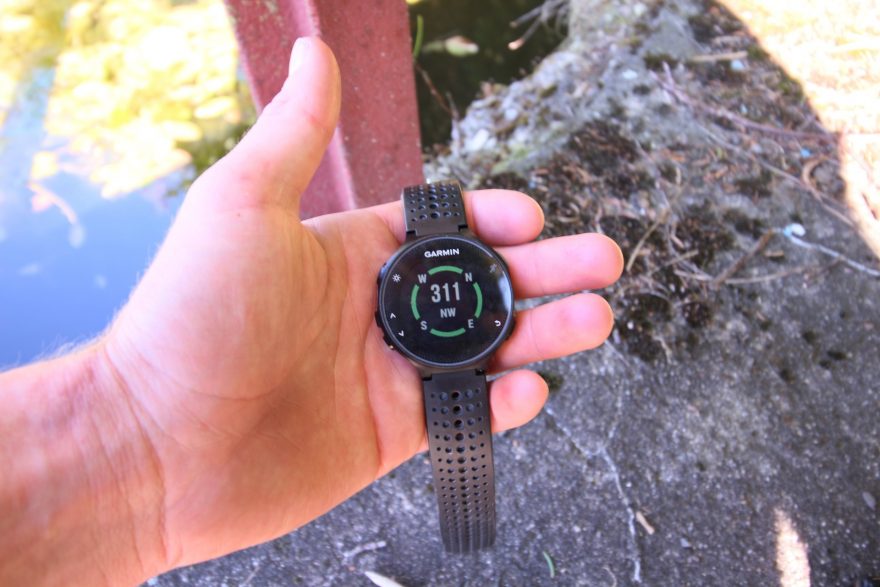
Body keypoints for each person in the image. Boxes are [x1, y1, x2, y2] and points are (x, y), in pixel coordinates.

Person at [0, 38, 623, 585]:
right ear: (390, 312)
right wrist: (127, 416)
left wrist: (127, 423)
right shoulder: (415, 302)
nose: (440, 296)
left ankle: (470, 537)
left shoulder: (426, 291)